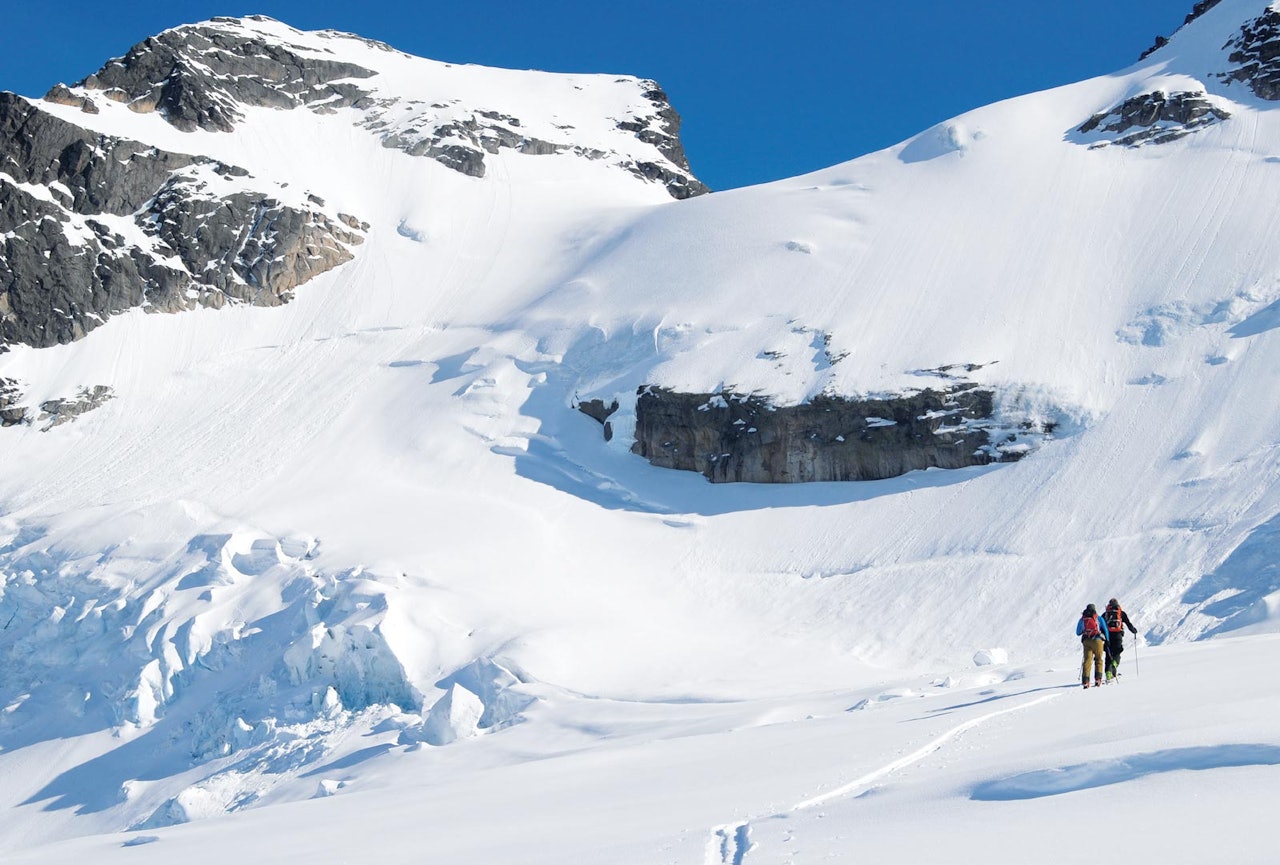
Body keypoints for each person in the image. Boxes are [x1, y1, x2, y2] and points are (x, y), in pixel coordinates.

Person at [1103, 598, 1138, 681]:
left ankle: (1108, 673)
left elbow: (1100, 624)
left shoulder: (1106, 614)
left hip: (1108, 636)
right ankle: (1115, 663)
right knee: (1118, 650)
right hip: (1118, 634)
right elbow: (1128, 623)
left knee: (1108, 654)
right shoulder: (1121, 613)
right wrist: (1134, 631)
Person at [1076, 603, 1107, 688]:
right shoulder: (1098, 618)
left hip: (1086, 641)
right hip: (1097, 641)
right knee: (1098, 659)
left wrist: (1084, 631)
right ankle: (1098, 679)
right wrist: (1107, 640)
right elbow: (1105, 629)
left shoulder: (1082, 619)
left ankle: (1086, 681)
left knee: (1087, 661)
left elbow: (1077, 632)